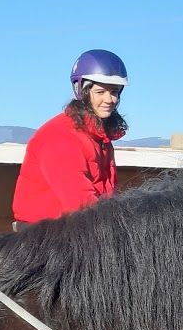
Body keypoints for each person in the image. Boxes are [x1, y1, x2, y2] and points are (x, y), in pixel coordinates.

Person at [11, 49, 128, 224]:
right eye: (100, 92)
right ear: (82, 91)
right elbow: (79, 204)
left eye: (114, 92)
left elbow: (107, 195)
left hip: (78, 228)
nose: (110, 99)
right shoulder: (61, 136)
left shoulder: (101, 138)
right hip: (44, 235)